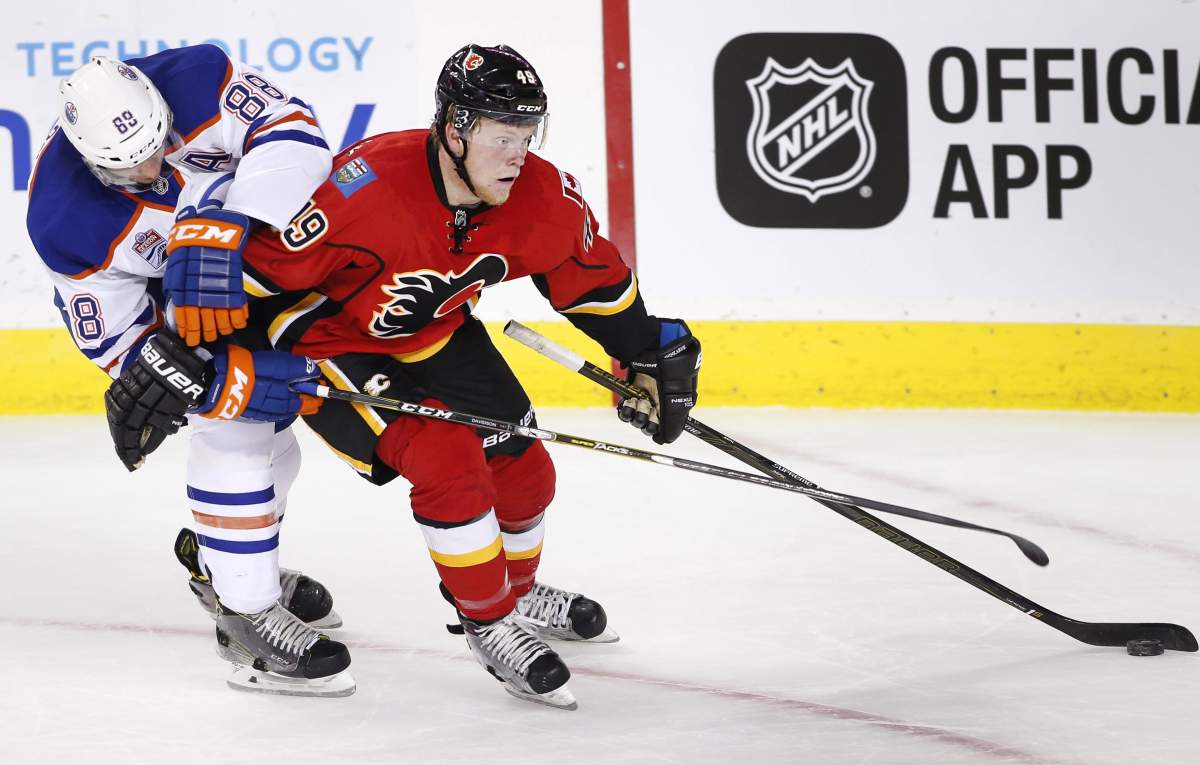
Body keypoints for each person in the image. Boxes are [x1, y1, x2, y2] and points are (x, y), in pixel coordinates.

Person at [211, 43, 702, 709]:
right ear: (454, 130)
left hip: (433, 331)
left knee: (526, 468)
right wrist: (200, 355)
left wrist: (646, 355)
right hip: (327, 336)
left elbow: (593, 284)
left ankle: (514, 593)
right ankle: (489, 621)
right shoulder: (364, 188)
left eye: (528, 135)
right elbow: (256, 277)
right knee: (447, 460)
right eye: (503, 137)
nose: (518, 155)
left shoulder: (542, 198)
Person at [25, 47, 354, 696]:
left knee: (280, 449)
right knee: (237, 434)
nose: (152, 169)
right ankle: (245, 615)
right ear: (87, 156)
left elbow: (296, 133)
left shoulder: (198, 77)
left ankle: (224, 561)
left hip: (269, 269)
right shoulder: (64, 218)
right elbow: (123, 341)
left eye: (156, 145)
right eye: (127, 167)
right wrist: (209, 384)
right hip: (188, 317)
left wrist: (225, 225)